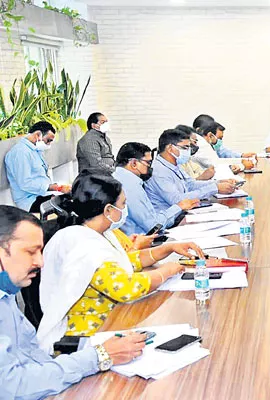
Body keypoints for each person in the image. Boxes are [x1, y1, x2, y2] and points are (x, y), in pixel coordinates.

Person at [37, 174, 205, 353]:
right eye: (123, 204)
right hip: (89, 336)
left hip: (112, 320)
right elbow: (125, 288)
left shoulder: (98, 232)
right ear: (108, 210)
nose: (125, 209)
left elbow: (124, 262)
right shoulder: (84, 246)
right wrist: (166, 271)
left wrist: (167, 249)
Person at [0, 205, 149, 399]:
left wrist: (97, 354)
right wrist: (99, 357)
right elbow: (11, 386)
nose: (41, 262)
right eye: (31, 252)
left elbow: (33, 357)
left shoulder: (7, 296)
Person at [113, 142, 199, 235]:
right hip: (140, 241)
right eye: (148, 162)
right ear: (134, 163)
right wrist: (179, 207)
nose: (151, 167)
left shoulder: (118, 177)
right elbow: (153, 226)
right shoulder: (129, 185)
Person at [145, 129, 236, 212]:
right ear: (170, 148)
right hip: (171, 221)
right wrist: (214, 189)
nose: (188, 151)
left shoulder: (174, 164)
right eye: (184, 148)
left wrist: (217, 183)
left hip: (183, 212)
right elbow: (178, 200)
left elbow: (190, 184)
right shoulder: (159, 172)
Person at [4, 121, 71, 212]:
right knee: (67, 205)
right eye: (48, 141)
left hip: (42, 194)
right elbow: (25, 183)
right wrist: (53, 187)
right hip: (29, 200)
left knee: (73, 197)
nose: (49, 145)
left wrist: (55, 187)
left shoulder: (35, 151)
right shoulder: (20, 152)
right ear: (37, 135)